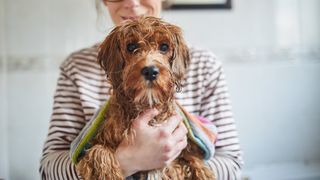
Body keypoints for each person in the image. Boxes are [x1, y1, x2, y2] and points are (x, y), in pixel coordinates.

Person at [39, 0, 243, 179]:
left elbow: (232, 165)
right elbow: (49, 170)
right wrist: (127, 162)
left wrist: (171, 169)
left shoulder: (204, 65)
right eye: (131, 48)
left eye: (163, 48)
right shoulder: (75, 68)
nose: (132, 3)